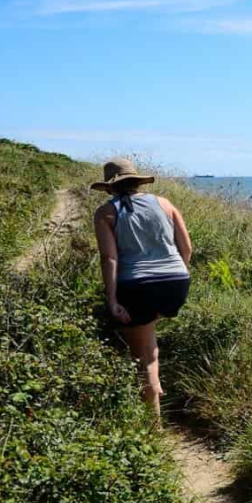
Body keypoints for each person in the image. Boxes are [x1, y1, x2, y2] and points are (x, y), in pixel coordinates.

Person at [92, 158, 193, 419]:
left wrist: (112, 299)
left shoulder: (105, 213)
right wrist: (176, 278)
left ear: (109, 188)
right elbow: (187, 249)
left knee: (143, 358)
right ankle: (155, 391)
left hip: (137, 286)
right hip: (177, 282)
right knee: (149, 343)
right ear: (137, 181)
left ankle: (153, 429)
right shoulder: (165, 204)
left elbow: (109, 259)